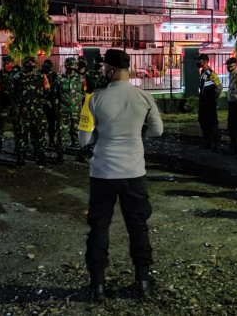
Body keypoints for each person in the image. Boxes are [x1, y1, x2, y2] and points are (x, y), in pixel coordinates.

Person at [84, 49, 163, 301]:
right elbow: (157, 131)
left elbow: (84, 137)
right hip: (133, 172)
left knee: (99, 227)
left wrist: (99, 138)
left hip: (102, 172)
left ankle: (97, 285)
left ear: (109, 70)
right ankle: (142, 282)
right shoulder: (143, 97)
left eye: (103, 68)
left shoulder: (93, 99)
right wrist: (137, 137)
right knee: (138, 226)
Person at [12, 57, 50, 167]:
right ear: (24, 64)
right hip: (23, 111)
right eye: (28, 64)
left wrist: (40, 101)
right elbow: (13, 94)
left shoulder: (41, 76)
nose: (30, 66)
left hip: (37, 111)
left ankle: (40, 156)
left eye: (32, 64)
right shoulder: (17, 77)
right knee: (21, 135)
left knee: (39, 134)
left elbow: (47, 91)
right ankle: (20, 157)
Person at [57, 57, 86, 159]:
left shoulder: (81, 79)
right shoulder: (60, 79)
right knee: (62, 131)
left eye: (73, 65)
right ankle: (61, 152)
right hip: (63, 109)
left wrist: (78, 100)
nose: (71, 67)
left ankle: (78, 151)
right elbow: (56, 93)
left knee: (76, 130)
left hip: (76, 109)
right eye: (70, 65)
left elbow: (83, 92)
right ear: (66, 66)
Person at [196, 54, 222, 152]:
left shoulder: (211, 74)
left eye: (200, 60)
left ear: (206, 61)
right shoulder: (203, 72)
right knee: (203, 122)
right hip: (203, 102)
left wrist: (214, 98)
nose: (199, 62)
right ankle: (207, 142)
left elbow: (219, 87)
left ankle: (216, 144)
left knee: (212, 123)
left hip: (210, 103)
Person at [0, 55, 15, 153]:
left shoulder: (16, 74)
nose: (7, 64)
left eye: (9, 62)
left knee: (18, 126)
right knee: (1, 126)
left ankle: (19, 146)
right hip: (3, 104)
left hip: (14, 103)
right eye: (5, 63)